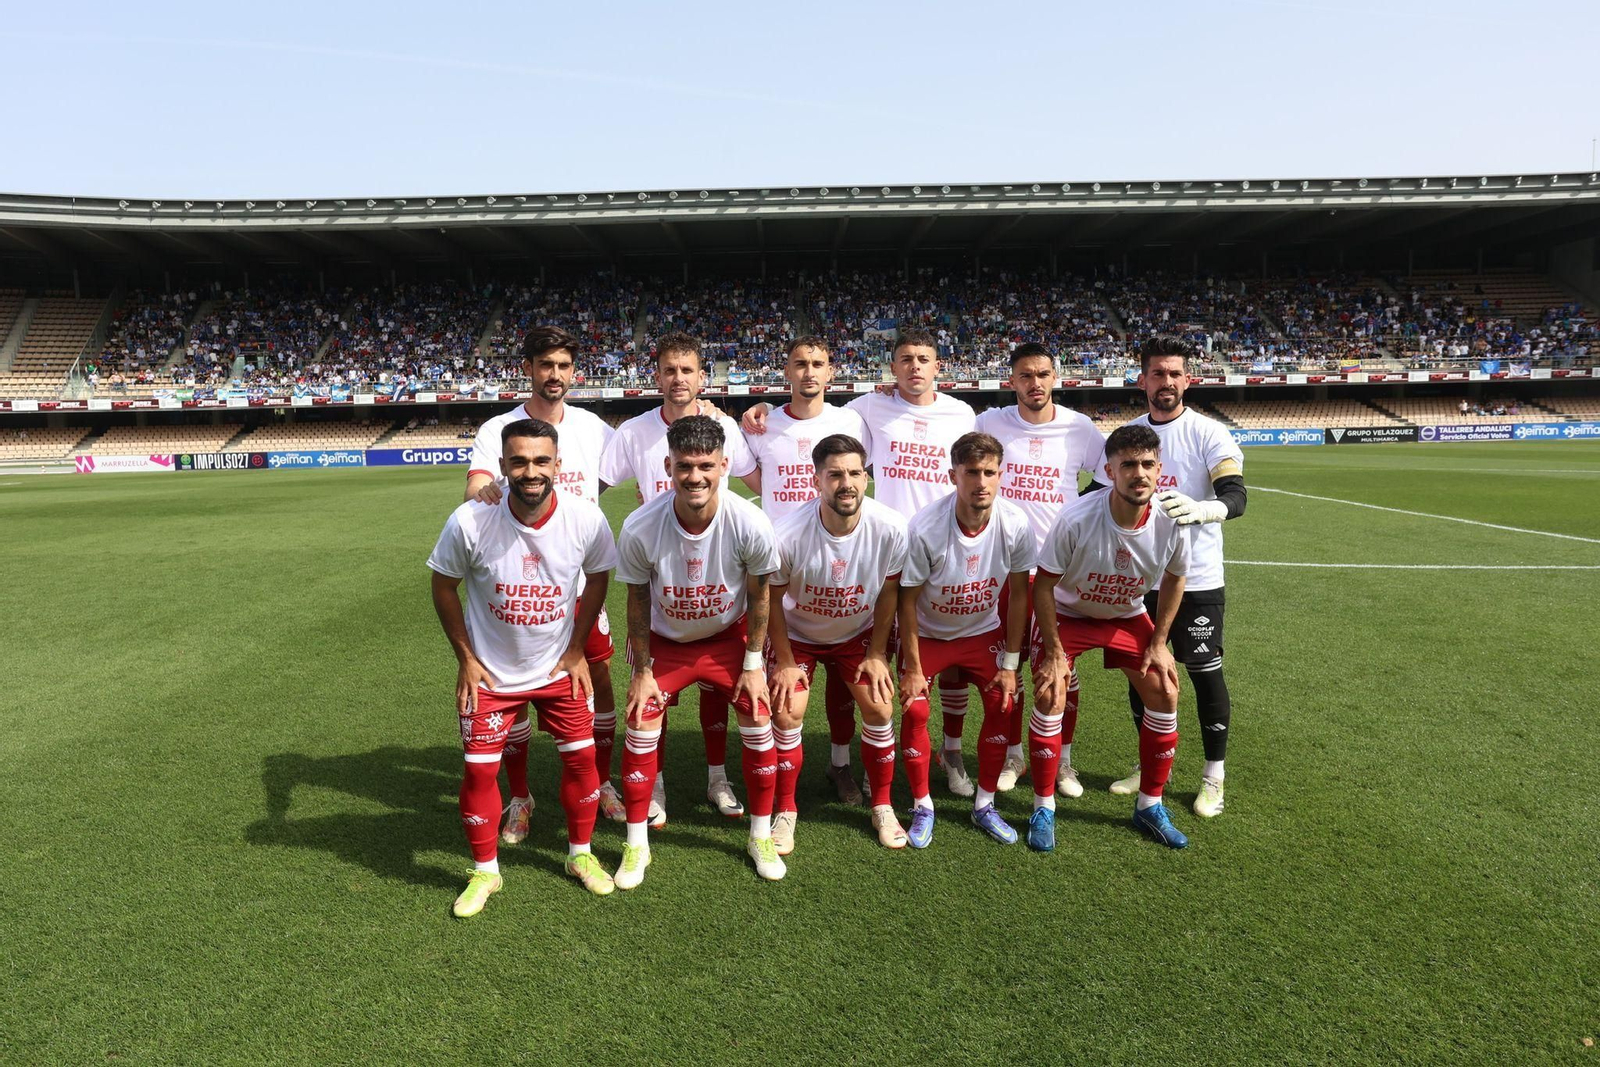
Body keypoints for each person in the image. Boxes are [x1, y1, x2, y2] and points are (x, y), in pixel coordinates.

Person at [745, 327, 979, 798]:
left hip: (906, 551)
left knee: (924, 658)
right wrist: (756, 410)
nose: (915, 367)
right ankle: (827, 770)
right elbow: (753, 476)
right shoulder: (847, 413)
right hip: (803, 558)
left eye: (924, 358)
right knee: (828, 669)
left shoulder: (947, 413)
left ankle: (942, 753)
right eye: (905, 359)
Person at [427, 418, 620, 916]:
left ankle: (580, 855)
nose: (530, 471)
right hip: (491, 675)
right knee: (477, 772)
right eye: (518, 461)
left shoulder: (584, 518)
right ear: (503, 466)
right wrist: (466, 659)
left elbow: (598, 577)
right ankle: (485, 872)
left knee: (581, 763)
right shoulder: (470, 520)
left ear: (558, 465)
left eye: (540, 461)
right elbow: (443, 586)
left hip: (558, 670)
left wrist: (577, 648)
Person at [461, 325, 625, 826]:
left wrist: (707, 410)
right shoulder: (497, 429)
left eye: (563, 366)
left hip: (575, 588)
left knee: (596, 679)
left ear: (574, 372)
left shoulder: (594, 429)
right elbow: (476, 487)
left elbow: (638, 454)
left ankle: (601, 779)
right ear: (528, 369)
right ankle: (520, 796)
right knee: (511, 690)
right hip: (517, 591)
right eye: (545, 365)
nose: (555, 375)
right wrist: (487, 492)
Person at [614, 415, 784, 887]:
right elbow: (637, 599)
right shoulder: (640, 526)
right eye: (685, 465)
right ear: (668, 465)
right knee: (641, 716)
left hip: (726, 637)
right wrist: (642, 670)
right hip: (665, 639)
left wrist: (754, 664)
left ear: (724, 465)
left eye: (706, 465)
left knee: (757, 713)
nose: (695, 476)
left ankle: (759, 835)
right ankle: (635, 844)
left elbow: (760, 594)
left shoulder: (750, 521)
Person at [599, 331, 759, 823]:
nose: (678, 379)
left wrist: (761, 417)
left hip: (715, 578)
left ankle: (717, 779)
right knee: (652, 694)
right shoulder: (633, 432)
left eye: (687, 370)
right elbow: (594, 488)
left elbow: (760, 482)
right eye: (669, 370)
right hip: (658, 579)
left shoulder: (724, 427)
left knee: (717, 692)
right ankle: (658, 787)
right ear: (657, 376)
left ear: (701, 376)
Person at [1088, 336, 1246, 818]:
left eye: (1175, 373)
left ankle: (1213, 777)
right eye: (1158, 373)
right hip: (1137, 580)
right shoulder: (1127, 435)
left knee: (1202, 674)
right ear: (1143, 380)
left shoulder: (1209, 433)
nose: (1167, 382)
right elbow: (1092, 495)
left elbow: (1236, 496)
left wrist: (1205, 509)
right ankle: (1148, 764)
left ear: (1187, 379)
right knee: (1145, 676)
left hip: (1195, 578)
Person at [1031, 423, 1192, 850]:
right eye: (1128, 465)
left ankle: (1149, 806)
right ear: (1109, 471)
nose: (1138, 473)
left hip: (1125, 614)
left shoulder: (1173, 520)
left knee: (1165, 691)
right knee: (1051, 693)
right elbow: (1043, 586)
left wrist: (1159, 643)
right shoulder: (1077, 516)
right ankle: (1043, 806)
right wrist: (1054, 652)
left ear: (1159, 469)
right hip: (1070, 612)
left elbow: (1176, 579)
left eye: (1147, 464)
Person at [973, 341, 1105, 798]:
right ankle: (1014, 753)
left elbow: (1109, 476)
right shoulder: (989, 423)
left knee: (1059, 668)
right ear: (1012, 381)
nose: (1035, 383)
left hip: (1060, 570)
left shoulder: (1080, 428)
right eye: (1026, 376)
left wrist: (1081, 514)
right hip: (1005, 567)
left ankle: (1064, 761)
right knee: (1008, 663)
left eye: (1043, 374)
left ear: (1056, 377)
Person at [767, 434, 910, 855]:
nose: (846, 483)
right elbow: (771, 599)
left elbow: (889, 592)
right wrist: (786, 661)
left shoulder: (891, 527)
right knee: (788, 710)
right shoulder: (788, 533)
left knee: (880, 705)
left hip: (857, 634)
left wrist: (878, 652)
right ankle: (787, 809)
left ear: (866, 478)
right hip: (799, 634)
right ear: (816, 481)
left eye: (854, 473)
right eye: (834, 475)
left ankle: (882, 805)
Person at [744, 335, 871, 805]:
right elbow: (749, 475)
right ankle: (776, 789)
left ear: (831, 371)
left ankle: (840, 765)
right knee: (783, 695)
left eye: (818, 363)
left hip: (842, 564)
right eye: (800, 363)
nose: (809, 372)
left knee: (844, 684)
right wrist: (756, 407)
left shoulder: (852, 420)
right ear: (786, 371)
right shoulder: (762, 425)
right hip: (782, 569)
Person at [897, 432, 1035, 847]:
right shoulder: (925, 527)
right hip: (931, 634)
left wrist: (1011, 665)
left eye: (989, 472)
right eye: (971, 472)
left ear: (1001, 474)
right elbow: (907, 601)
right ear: (952, 475)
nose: (981, 482)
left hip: (981, 631)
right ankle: (922, 805)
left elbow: (1019, 597)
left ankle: (984, 805)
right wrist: (913, 668)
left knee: (1003, 702)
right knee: (915, 710)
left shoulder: (1015, 523)